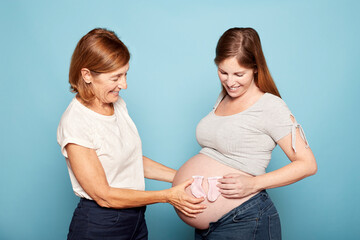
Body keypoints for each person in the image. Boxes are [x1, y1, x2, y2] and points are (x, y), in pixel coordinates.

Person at [57, 28, 206, 240]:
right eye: (116, 77)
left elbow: (131, 161)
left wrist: (184, 178)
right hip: (101, 225)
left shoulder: (117, 104)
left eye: (125, 74)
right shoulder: (75, 122)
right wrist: (167, 196)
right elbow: (104, 196)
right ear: (87, 75)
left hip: (135, 219)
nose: (124, 85)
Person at [172, 27, 317, 239]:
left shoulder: (270, 106)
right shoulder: (223, 98)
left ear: (256, 68)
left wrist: (254, 183)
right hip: (210, 227)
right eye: (223, 72)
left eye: (239, 74)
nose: (230, 82)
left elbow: (308, 164)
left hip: (245, 220)